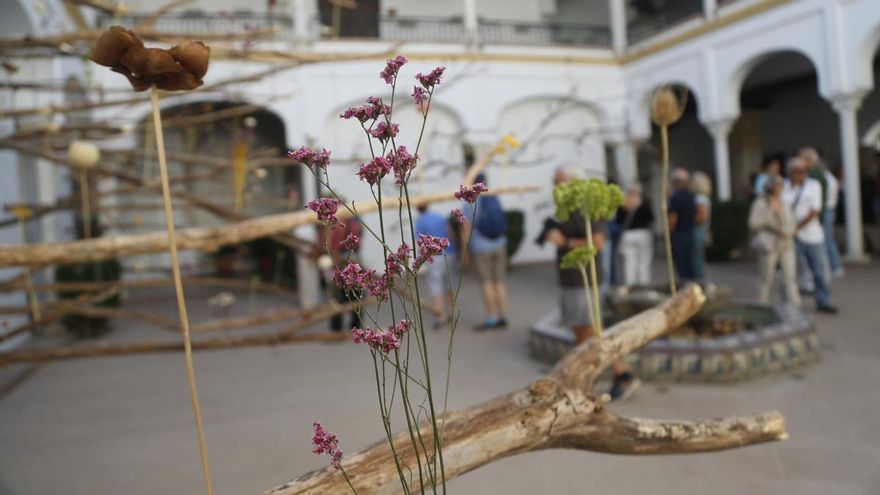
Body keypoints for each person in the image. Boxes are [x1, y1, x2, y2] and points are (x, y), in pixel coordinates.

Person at [544, 167, 640, 401]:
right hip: (570, 278)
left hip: (584, 279)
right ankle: (584, 379)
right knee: (579, 329)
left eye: (559, 182)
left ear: (573, 183)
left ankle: (624, 374)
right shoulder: (565, 209)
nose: (555, 186)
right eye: (554, 182)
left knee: (592, 330)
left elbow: (598, 243)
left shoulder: (587, 207)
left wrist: (564, 241)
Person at [783, 156, 838, 314]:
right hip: (790, 236)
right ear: (791, 172)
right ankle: (789, 303)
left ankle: (823, 301)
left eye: (805, 171)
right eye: (799, 171)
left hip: (812, 236)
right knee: (790, 272)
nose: (803, 174)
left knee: (820, 271)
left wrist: (796, 227)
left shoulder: (813, 185)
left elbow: (815, 211)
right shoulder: (784, 186)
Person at [461, 174, 509, 330]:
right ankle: (502, 316)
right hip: (499, 244)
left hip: (481, 248)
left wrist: (465, 252)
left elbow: (466, 228)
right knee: (499, 282)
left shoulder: (470, 201)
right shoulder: (493, 197)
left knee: (487, 283)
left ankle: (491, 318)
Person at [748, 175, 801, 305]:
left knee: (790, 277)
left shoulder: (785, 203)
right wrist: (770, 222)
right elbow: (753, 223)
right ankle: (762, 304)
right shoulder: (760, 203)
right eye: (779, 184)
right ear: (771, 186)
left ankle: (794, 305)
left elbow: (792, 222)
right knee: (766, 278)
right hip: (769, 245)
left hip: (786, 243)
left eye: (782, 184)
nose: (782, 187)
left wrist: (789, 231)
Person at [320, 212, 363, 332]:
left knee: (340, 296)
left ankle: (340, 327)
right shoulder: (351, 222)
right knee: (347, 296)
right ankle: (352, 326)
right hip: (345, 261)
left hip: (343, 262)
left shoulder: (339, 224)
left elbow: (329, 245)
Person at [415, 204, 457, 328]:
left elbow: (421, 244)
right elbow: (451, 234)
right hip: (449, 253)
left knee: (436, 285)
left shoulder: (420, 221)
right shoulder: (439, 216)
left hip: (434, 257)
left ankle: (440, 316)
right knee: (449, 284)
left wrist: (420, 259)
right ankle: (452, 313)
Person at [614, 183, 654, 286]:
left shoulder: (623, 203)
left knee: (629, 262)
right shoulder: (644, 203)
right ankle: (644, 284)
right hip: (643, 233)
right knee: (644, 262)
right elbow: (651, 218)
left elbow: (618, 220)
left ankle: (630, 285)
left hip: (628, 234)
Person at [668, 167, 697, 282]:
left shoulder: (675, 197)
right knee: (690, 263)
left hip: (679, 233)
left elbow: (673, 218)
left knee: (681, 265)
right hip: (690, 231)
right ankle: (693, 284)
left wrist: (669, 232)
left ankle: (685, 285)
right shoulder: (691, 196)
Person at [822, 165, 844, 278]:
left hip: (827, 210)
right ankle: (834, 266)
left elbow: (825, 198)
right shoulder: (832, 179)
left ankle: (836, 266)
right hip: (830, 210)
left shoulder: (827, 180)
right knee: (829, 239)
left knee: (828, 240)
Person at [691, 171, 712, 281]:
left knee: (697, 259)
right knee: (699, 258)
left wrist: (690, 220)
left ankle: (700, 282)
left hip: (698, 230)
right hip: (702, 230)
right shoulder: (704, 198)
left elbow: (702, 216)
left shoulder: (700, 198)